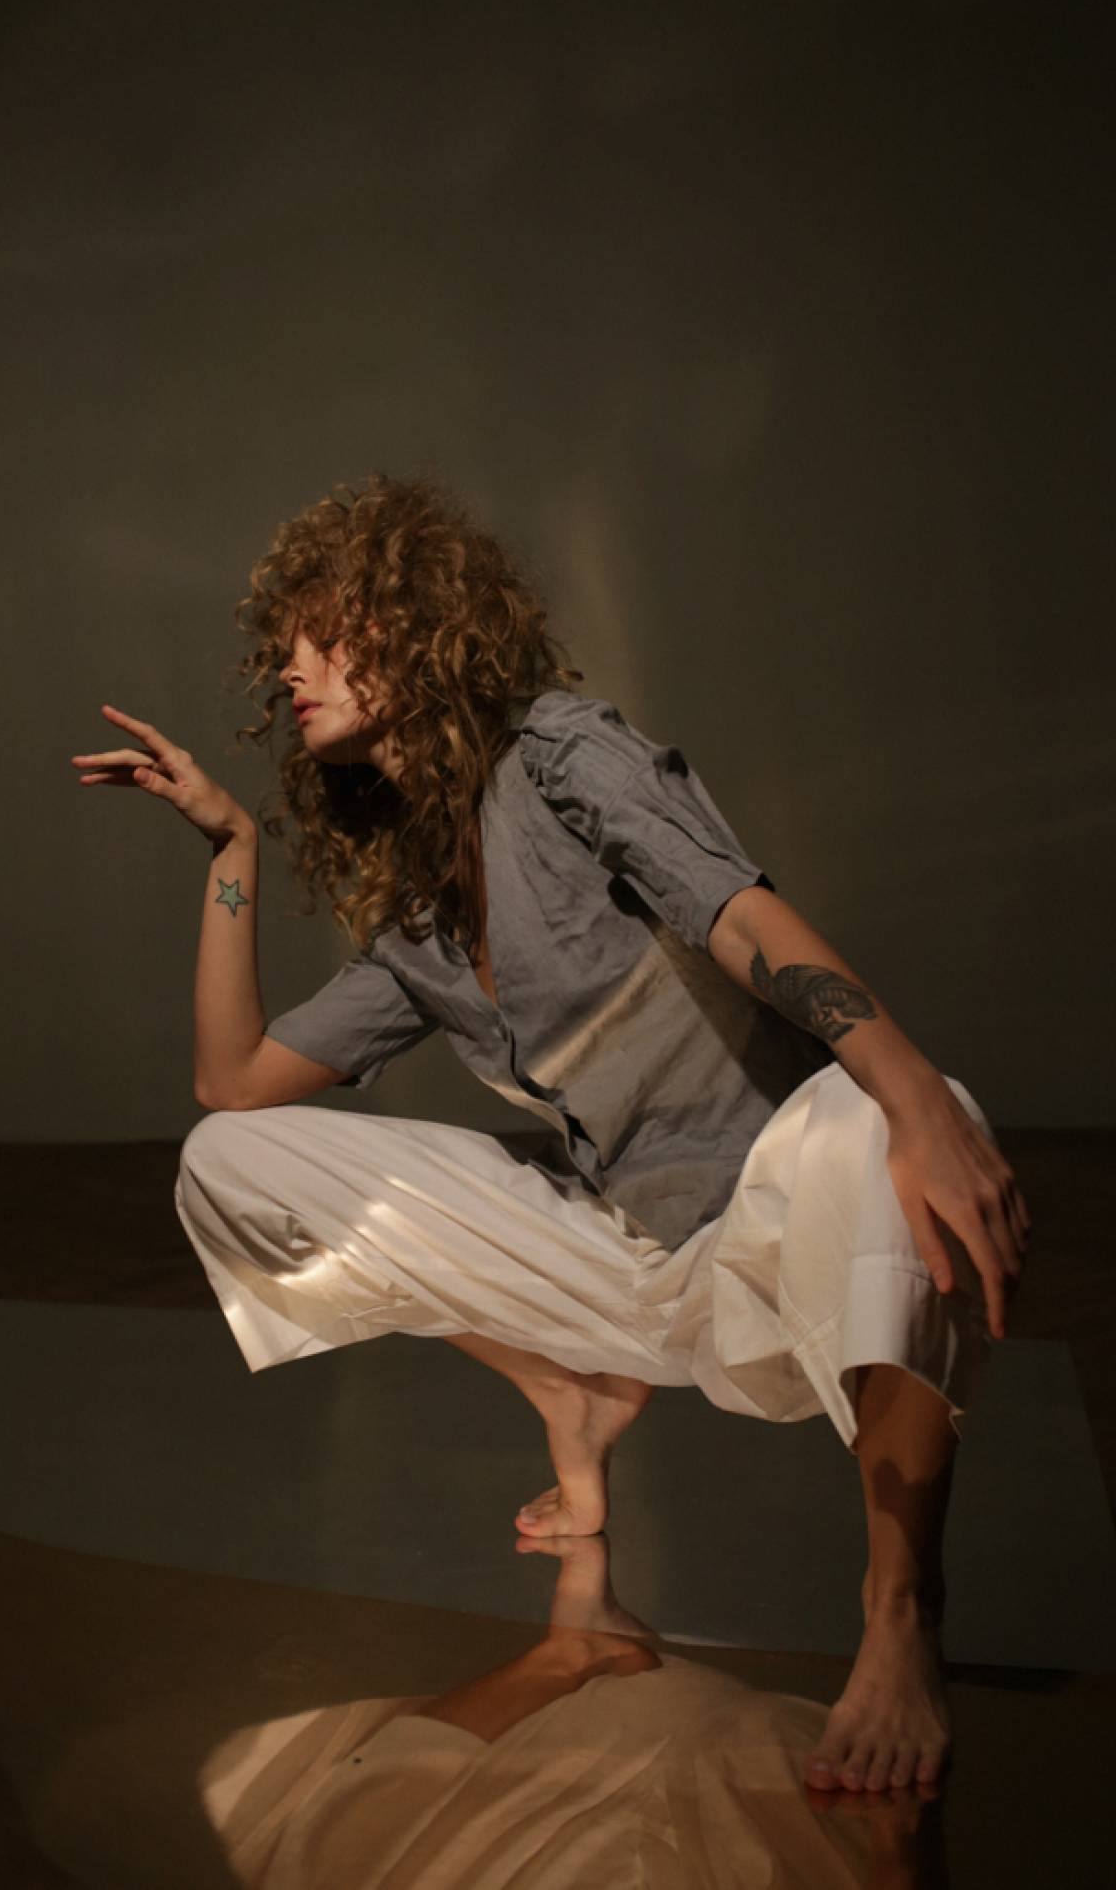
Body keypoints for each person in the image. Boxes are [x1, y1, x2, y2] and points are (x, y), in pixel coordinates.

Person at [70, 471, 1030, 1798]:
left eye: (324, 634)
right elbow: (231, 1084)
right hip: (636, 1262)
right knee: (228, 1163)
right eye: (283, 646)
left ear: (419, 627)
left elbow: (741, 916)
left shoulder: (562, 752)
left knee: (881, 1124)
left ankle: (899, 1614)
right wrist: (228, 848)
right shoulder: (416, 922)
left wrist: (918, 1102)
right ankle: (571, 1393)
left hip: (779, 1214)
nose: (291, 669)